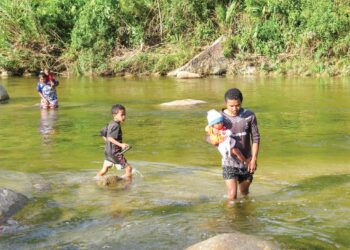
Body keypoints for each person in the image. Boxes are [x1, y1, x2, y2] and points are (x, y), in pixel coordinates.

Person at [219, 88, 260, 201]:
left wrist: (253, 159)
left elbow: (255, 138)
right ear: (226, 103)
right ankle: (231, 218)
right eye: (231, 106)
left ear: (241, 103)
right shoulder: (219, 118)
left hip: (247, 161)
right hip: (229, 161)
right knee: (232, 195)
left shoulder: (249, 116)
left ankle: (244, 215)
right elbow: (212, 137)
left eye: (237, 105)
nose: (234, 109)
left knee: (244, 192)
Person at [96, 104, 133, 179]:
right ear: (114, 115)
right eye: (122, 115)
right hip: (115, 153)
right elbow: (110, 138)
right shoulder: (116, 125)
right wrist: (121, 145)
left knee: (104, 169)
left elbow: (102, 133)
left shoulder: (110, 123)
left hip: (107, 152)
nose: (124, 117)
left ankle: (96, 179)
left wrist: (108, 144)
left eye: (125, 114)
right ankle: (126, 186)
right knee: (129, 169)